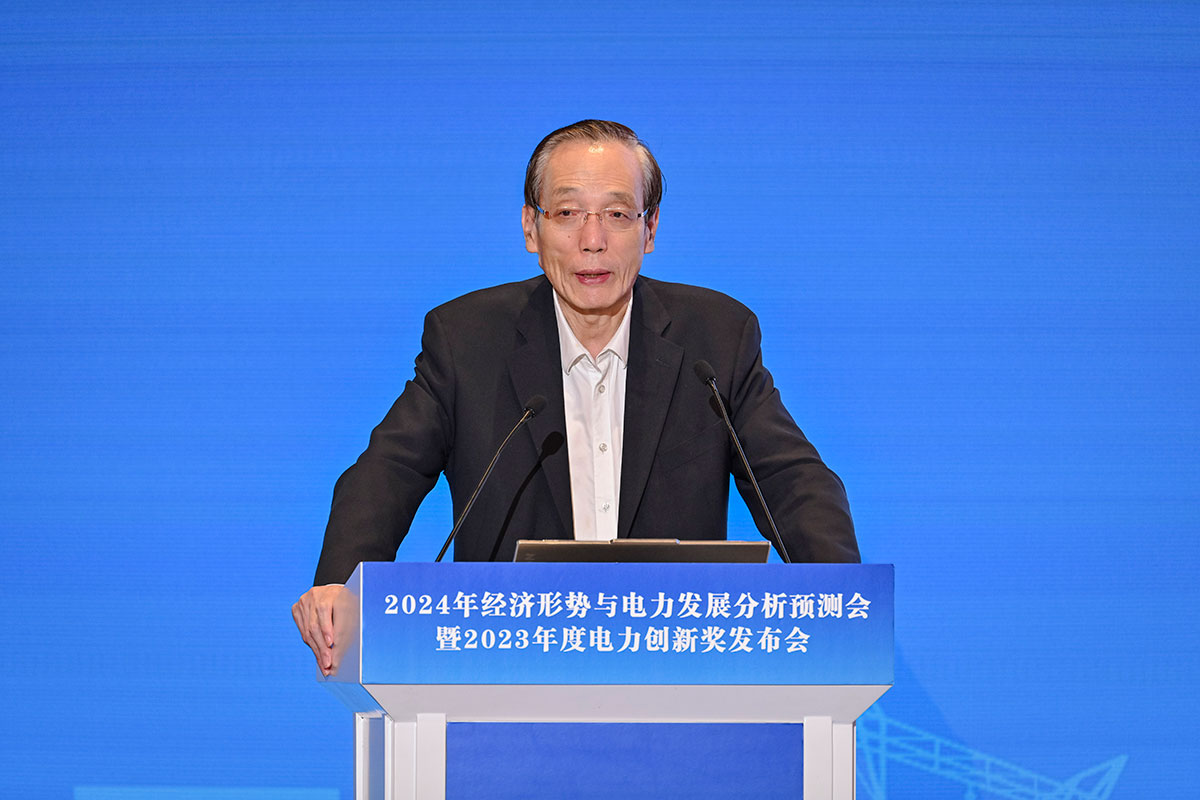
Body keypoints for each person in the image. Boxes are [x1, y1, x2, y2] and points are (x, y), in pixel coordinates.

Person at [292, 120, 859, 674]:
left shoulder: (715, 340)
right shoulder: (467, 341)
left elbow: (792, 480)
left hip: (677, 664)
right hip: (506, 663)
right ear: (530, 229)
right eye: (567, 214)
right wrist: (341, 584)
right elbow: (386, 473)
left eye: (617, 214)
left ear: (650, 229)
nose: (593, 240)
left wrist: (842, 597)